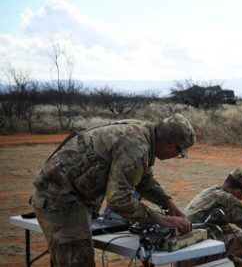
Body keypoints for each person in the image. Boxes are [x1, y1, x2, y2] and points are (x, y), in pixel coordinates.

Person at [29, 114, 194, 266]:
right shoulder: (136, 145)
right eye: (180, 152)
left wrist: (168, 203)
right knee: (77, 259)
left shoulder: (144, 133)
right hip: (59, 198)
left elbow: (144, 179)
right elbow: (118, 200)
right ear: (171, 146)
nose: (177, 156)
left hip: (71, 195)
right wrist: (162, 220)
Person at [179, 167, 242, 266]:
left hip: (183, 244)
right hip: (194, 250)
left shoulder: (212, 190)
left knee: (230, 232)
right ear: (239, 192)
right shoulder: (226, 199)